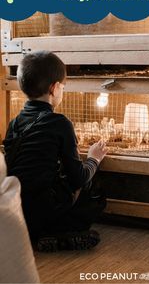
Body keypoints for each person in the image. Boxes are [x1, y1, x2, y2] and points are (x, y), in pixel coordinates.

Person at [3, 51, 107, 252]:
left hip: (14, 209)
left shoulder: (14, 123)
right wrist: (94, 158)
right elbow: (78, 178)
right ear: (54, 88)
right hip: (44, 209)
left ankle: (39, 233)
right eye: (63, 86)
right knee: (94, 190)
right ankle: (58, 233)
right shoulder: (59, 123)